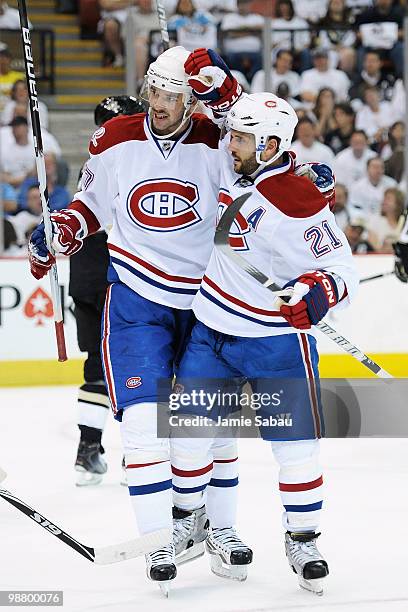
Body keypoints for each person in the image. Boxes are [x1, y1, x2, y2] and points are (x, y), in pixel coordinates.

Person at [27, 46, 251, 594]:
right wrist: (63, 231)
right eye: (153, 90)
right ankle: (161, 542)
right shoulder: (114, 137)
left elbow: (251, 142)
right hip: (136, 299)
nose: (159, 103)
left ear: (189, 98)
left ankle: (219, 528)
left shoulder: (214, 138)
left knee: (210, 424)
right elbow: (90, 205)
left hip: (205, 301)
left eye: (172, 94)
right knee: (146, 427)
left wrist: (221, 87)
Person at [169, 89, 358, 594]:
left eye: (242, 137)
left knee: (295, 450)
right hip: (212, 328)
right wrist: (218, 88)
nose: (231, 143)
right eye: (234, 133)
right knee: (187, 432)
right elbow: (222, 108)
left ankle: (302, 539)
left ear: (270, 144)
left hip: (275, 343)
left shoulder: (299, 201)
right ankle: (189, 519)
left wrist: (319, 292)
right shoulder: (239, 165)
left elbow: (342, 270)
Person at [70, 95, 149, 487]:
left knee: (96, 367)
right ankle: (137, 457)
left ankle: (88, 451)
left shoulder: (94, 160)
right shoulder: (125, 160)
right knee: (143, 366)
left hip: (85, 276)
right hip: (118, 276)